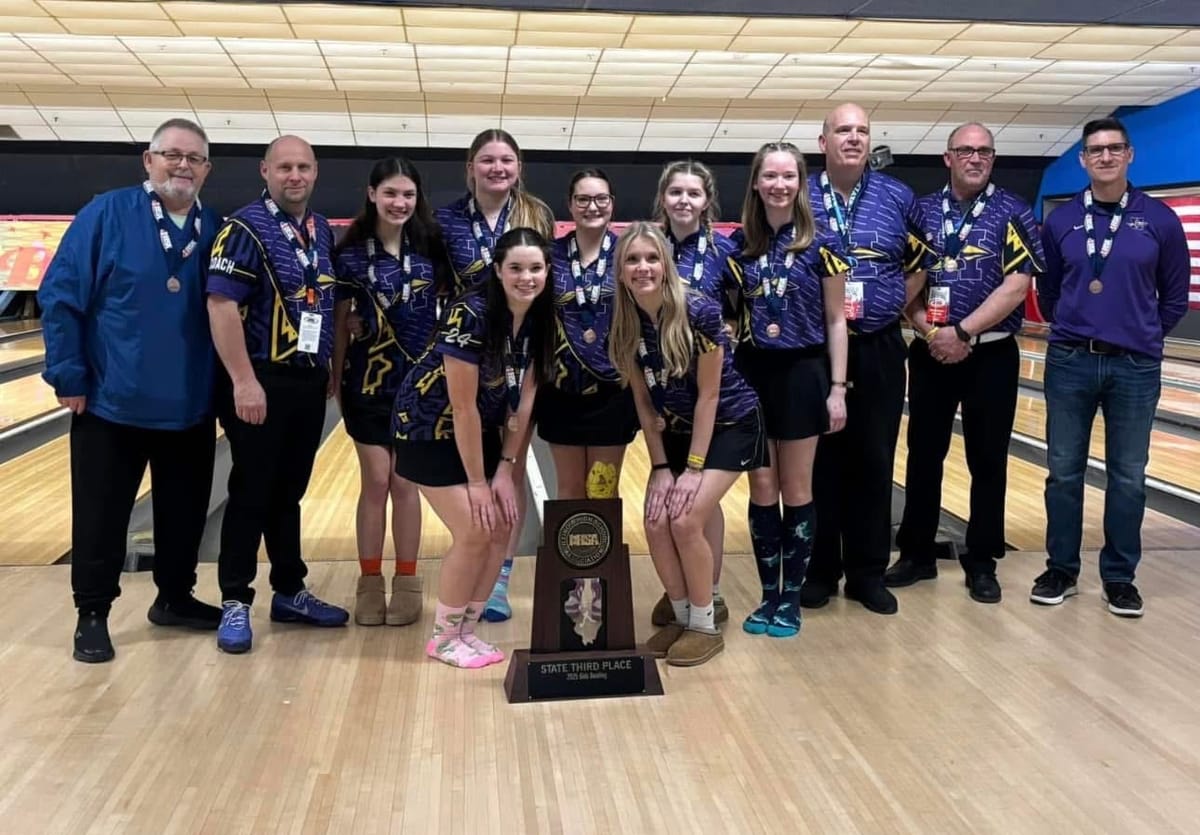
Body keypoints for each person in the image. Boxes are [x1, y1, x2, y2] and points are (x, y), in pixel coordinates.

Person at [40, 118, 224, 663]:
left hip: (189, 404)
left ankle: (174, 599)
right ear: (148, 161)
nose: (182, 165)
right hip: (110, 402)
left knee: (185, 513)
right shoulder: (107, 213)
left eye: (194, 158)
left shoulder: (213, 226)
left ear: (207, 170)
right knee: (101, 514)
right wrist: (69, 375)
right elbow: (61, 295)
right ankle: (92, 614)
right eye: (171, 155)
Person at [1033, 117, 1190, 618]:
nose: (1104, 157)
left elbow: (1174, 296)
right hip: (1071, 360)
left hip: (1135, 368)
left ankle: (1120, 576)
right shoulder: (1060, 221)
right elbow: (1049, 290)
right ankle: (1061, 568)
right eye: (1094, 150)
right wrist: (1079, 326)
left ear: (1129, 156)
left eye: (1113, 148)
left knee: (1128, 476)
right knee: (1062, 472)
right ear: (1082, 159)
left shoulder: (1160, 220)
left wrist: (1141, 336)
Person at [206, 135, 351, 654]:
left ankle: (289, 590)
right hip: (259, 380)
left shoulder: (320, 231)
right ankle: (235, 599)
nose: (296, 175)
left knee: (288, 490)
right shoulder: (243, 228)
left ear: (315, 173)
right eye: (285, 166)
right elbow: (220, 305)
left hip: (306, 380)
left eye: (304, 167)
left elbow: (328, 303)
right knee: (251, 490)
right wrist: (244, 381)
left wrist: (330, 367)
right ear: (265, 170)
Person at [889, 123, 1045, 603]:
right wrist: (930, 331)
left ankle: (982, 559)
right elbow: (904, 283)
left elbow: (1017, 286)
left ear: (993, 159)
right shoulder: (921, 212)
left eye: (984, 151)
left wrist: (962, 331)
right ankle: (916, 553)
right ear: (947, 157)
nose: (975, 158)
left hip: (992, 352)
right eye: (966, 150)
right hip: (931, 347)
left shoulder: (1013, 210)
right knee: (924, 454)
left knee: (988, 458)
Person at [392, 228, 555, 668]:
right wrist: (479, 483)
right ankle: (443, 640)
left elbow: (525, 397)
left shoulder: (540, 316)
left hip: (479, 430)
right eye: (516, 268)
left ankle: (466, 629)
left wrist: (506, 466)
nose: (527, 277)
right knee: (475, 530)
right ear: (498, 271)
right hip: (428, 428)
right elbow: (461, 406)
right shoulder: (473, 312)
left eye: (536, 268)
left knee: (502, 527)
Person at [609, 221, 767, 666]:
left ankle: (704, 623)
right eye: (632, 260)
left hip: (731, 422)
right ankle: (681, 616)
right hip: (677, 432)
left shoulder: (698, 310)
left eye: (652, 258)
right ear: (620, 269)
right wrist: (660, 469)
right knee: (656, 518)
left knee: (684, 520)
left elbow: (711, 396)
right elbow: (642, 398)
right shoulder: (623, 317)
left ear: (667, 264)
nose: (643, 267)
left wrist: (693, 469)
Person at [805, 102, 934, 615]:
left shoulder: (898, 196)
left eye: (862, 131)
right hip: (815, 345)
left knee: (875, 460)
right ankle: (818, 571)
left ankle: (866, 573)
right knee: (819, 464)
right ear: (824, 142)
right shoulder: (800, 194)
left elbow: (922, 260)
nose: (853, 139)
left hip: (878, 343)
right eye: (843, 130)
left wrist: (890, 303)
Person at [728, 142, 850, 637]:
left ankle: (791, 599)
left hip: (804, 372)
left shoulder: (824, 245)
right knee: (761, 487)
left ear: (800, 183)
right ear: (756, 183)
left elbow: (838, 320)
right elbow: (731, 315)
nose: (779, 185)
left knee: (797, 488)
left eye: (789, 176)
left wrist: (837, 387)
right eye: (770, 176)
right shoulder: (739, 247)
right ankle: (767, 594)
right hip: (753, 373)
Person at [436, 128, 555, 622]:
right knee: (474, 470)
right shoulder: (445, 222)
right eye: (487, 160)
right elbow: (433, 286)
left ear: (519, 166)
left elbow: (544, 283)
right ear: (470, 167)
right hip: (467, 359)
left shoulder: (537, 216)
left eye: (506, 160)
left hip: (520, 355)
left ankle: (500, 575)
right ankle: (475, 559)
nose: (497, 168)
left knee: (511, 464)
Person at [331, 157, 454, 626]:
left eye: (408, 194)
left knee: (406, 484)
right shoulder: (350, 255)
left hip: (418, 386)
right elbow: (342, 322)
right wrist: (335, 376)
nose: (399, 202)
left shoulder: (432, 250)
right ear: (372, 195)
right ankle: (368, 583)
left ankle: (407, 581)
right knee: (376, 481)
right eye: (390, 194)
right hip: (366, 381)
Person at [647, 159, 741, 629]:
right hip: (666, 400)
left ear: (707, 202)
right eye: (676, 192)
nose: (684, 200)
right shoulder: (647, 250)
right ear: (663, 198)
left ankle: (712, 591)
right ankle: (682, 588)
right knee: (674, 502)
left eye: (694, 193)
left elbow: (741, 314)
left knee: (701, 502)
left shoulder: (725, 253)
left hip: (709, 393)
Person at [535, 169, 636, 499]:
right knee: (569, 489)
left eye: (600, 199)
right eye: (583, 199)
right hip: (561, 388)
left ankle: (602, 554)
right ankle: (570, 553)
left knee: (603, 488)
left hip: (613, 390)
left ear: (612, 204)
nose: (592, 206)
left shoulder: (629, 254)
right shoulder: (550, 256)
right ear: (570, 204)